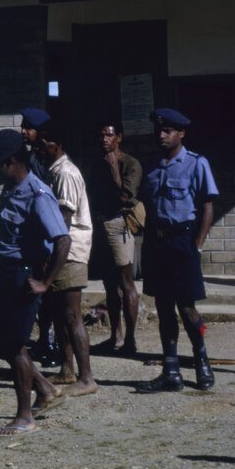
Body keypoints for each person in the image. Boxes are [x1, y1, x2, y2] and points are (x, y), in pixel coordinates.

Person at [0, 129, 70, 437]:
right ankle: (44, 388)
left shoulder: (37, 193)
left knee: (15, 345)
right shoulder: (11, 188)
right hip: (6, 273)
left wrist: (46, 282)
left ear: (11, 161)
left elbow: (62, 239)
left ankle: (24, 416)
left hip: (24, 274)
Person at [137, 108, 218, 392]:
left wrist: (197, 244)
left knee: (187, 308)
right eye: (159, 130)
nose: (161, 135)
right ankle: (171, 371)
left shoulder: (196, 164)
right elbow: (144, 204)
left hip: (183, 242)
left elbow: (207, 206)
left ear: (181, 133)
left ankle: (201, 359)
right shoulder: (152, 166)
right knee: (163, 306)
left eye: (168, 130)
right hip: (157, 244)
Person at [35, 119, 98, 397]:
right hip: (60, 251)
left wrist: (51, 254)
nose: (40, 146)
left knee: (72, 314)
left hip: (70, 252)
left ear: (58, 144)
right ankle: (67, 368)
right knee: (61, 314)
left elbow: (64, 219)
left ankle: (87, 376)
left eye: (46, 141)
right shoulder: (54, 171)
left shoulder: (66, 174)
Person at [86, 118, 143, 355]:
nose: (105, 140)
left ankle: (130, 340)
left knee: (125, 282)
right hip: (100, 225)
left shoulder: (130, 164)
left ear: (119, 137)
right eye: (101, 135)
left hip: (119, 224)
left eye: (109, 135)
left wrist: (113, 168)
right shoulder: (96, 163)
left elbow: (124, 197)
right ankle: (115, 336)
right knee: (110, 284)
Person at [20, 107, 60, 369]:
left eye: (29, 128)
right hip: (32, 235)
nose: (24, 132)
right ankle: (43, 340)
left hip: (49, 235)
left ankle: (53, 343)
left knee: (52, 295)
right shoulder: (28, 156)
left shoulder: (48, 160)